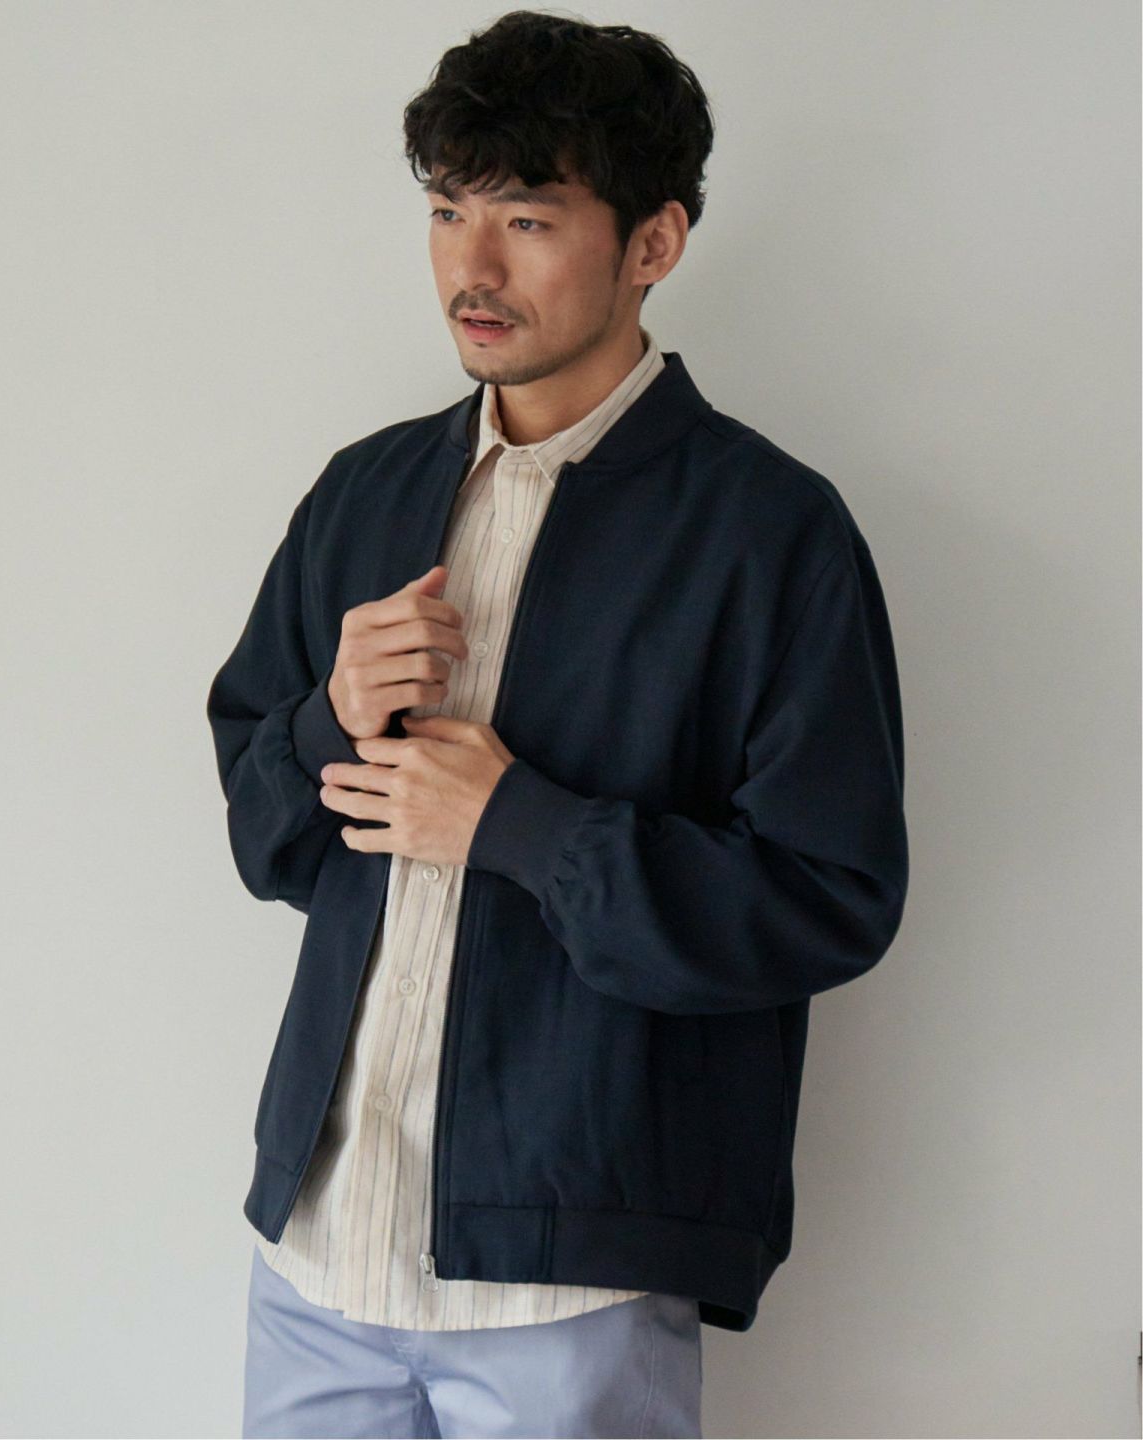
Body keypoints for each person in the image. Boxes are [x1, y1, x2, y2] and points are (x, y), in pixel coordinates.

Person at [206, 10, 909, 1437]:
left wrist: (520, 826)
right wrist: (330, 722)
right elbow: (263, 839)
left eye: (526, 219)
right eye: (447, 212)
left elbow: (828, 898)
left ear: (655, 242)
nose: (473, 268)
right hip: (318, 1253)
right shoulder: (362, 495)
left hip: (571, 1285)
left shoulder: (772, 534)